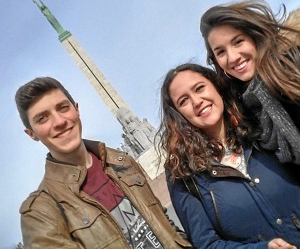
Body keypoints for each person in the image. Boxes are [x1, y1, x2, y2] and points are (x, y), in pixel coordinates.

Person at [15, 76, 192, 249]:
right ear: (31, 133)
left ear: (76, 109)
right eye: (42, 118)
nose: (59, 121)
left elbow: (165, 225)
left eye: (62, 108)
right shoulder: (39, 214)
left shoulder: (123, 163)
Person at [157, 63, 300, 249]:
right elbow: (207, 245)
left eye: (199, 88)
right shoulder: (183, 175)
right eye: (184, 101)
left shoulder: (261, 125)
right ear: (178, 115)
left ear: (216, 86)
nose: (197, 101)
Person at [200, 0, 300, 164]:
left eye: (238, 42)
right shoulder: (242, 107)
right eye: (221, 52)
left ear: (254, 36)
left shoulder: (293, 65)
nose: (232, 57)